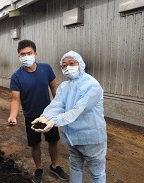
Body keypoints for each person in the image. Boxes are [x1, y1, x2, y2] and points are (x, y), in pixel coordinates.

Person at [31, 50, 107, 183]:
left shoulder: (92, 85)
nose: (67, 68)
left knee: (96, 173)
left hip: (91, 138)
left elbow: (78, 110)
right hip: (73, 137)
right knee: (75, 168)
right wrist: (45, 117)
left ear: (80, 64)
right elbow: (57, 104)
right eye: (64, 65)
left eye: (71, 63)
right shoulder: (65, 86)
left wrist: (54, 121)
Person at [7, 39, 69, 183]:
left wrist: (60, 106)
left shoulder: (45, 68)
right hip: (31, 116)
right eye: (23, 54)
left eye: (29, 53)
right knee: (35, 144)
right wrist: (12, 116)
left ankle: (55, 166)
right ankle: (39, 168)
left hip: (49, 115)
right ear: (19, 56)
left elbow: (54, 88)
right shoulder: (17, 76)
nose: (26, 56)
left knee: (53, 141)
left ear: (35, 53)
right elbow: (15, 99)